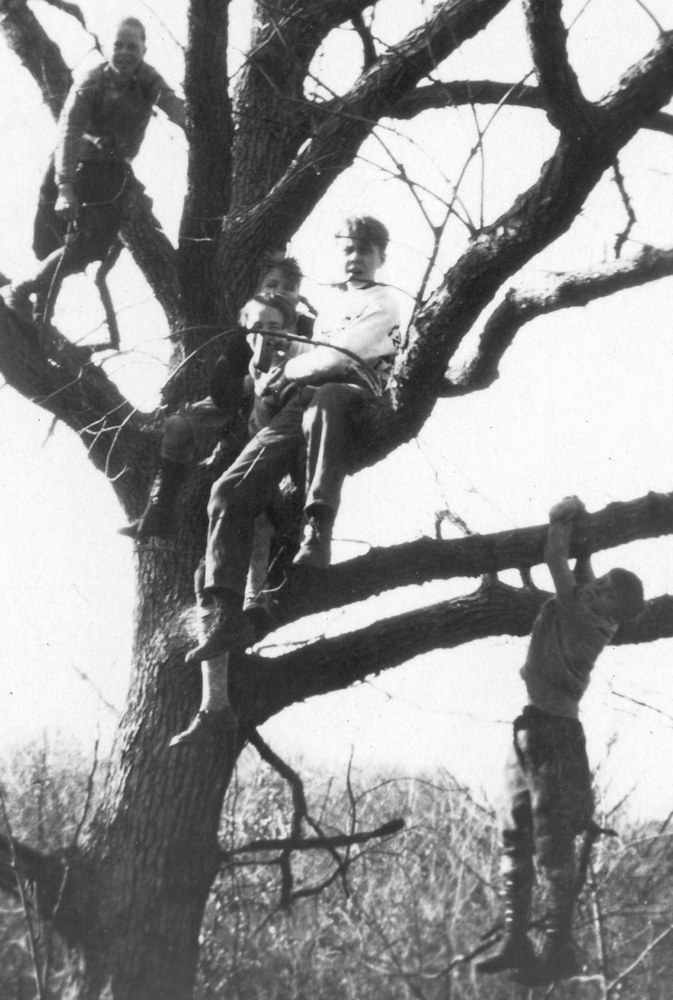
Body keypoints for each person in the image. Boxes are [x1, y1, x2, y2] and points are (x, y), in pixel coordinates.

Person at [183, 215, 401, 678]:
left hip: (351, 395)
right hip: (300, 401)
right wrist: (275, 365)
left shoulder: (383, 303)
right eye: (348, 250)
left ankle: (317, 530)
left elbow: (344, 356)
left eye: (365, 251)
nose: (355, 259)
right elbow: (303, 354)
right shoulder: (330, 304)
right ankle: (222, 612)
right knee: (227, 490)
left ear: (381, 256)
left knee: (325, 398)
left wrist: (293, 371)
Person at [476, 496, 645, 986]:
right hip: (533, 725)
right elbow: (583, 573)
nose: (596, 591)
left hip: (554, 733)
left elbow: (556, 558)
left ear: (614, 610)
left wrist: (562, 517)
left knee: (551, 841)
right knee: (515, 829)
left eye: (606, 593)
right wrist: (589, 536)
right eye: (600, 585)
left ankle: (558, 943)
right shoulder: (590, 606)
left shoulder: (581, 616)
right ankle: (516, 939)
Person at [7, 16, 185, 328]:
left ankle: (25, 288)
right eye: (118, 45)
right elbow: (69, 134)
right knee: (47, 240)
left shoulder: (148, 81)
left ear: (144, 49)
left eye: (133, 46)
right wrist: (65, 188)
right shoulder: (91, 82)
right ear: (107, 48)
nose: (125, 53)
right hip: (72, 164)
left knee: (93, 244)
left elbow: (175, 107)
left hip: (110, 172)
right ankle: (36, 315)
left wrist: (204, 127)